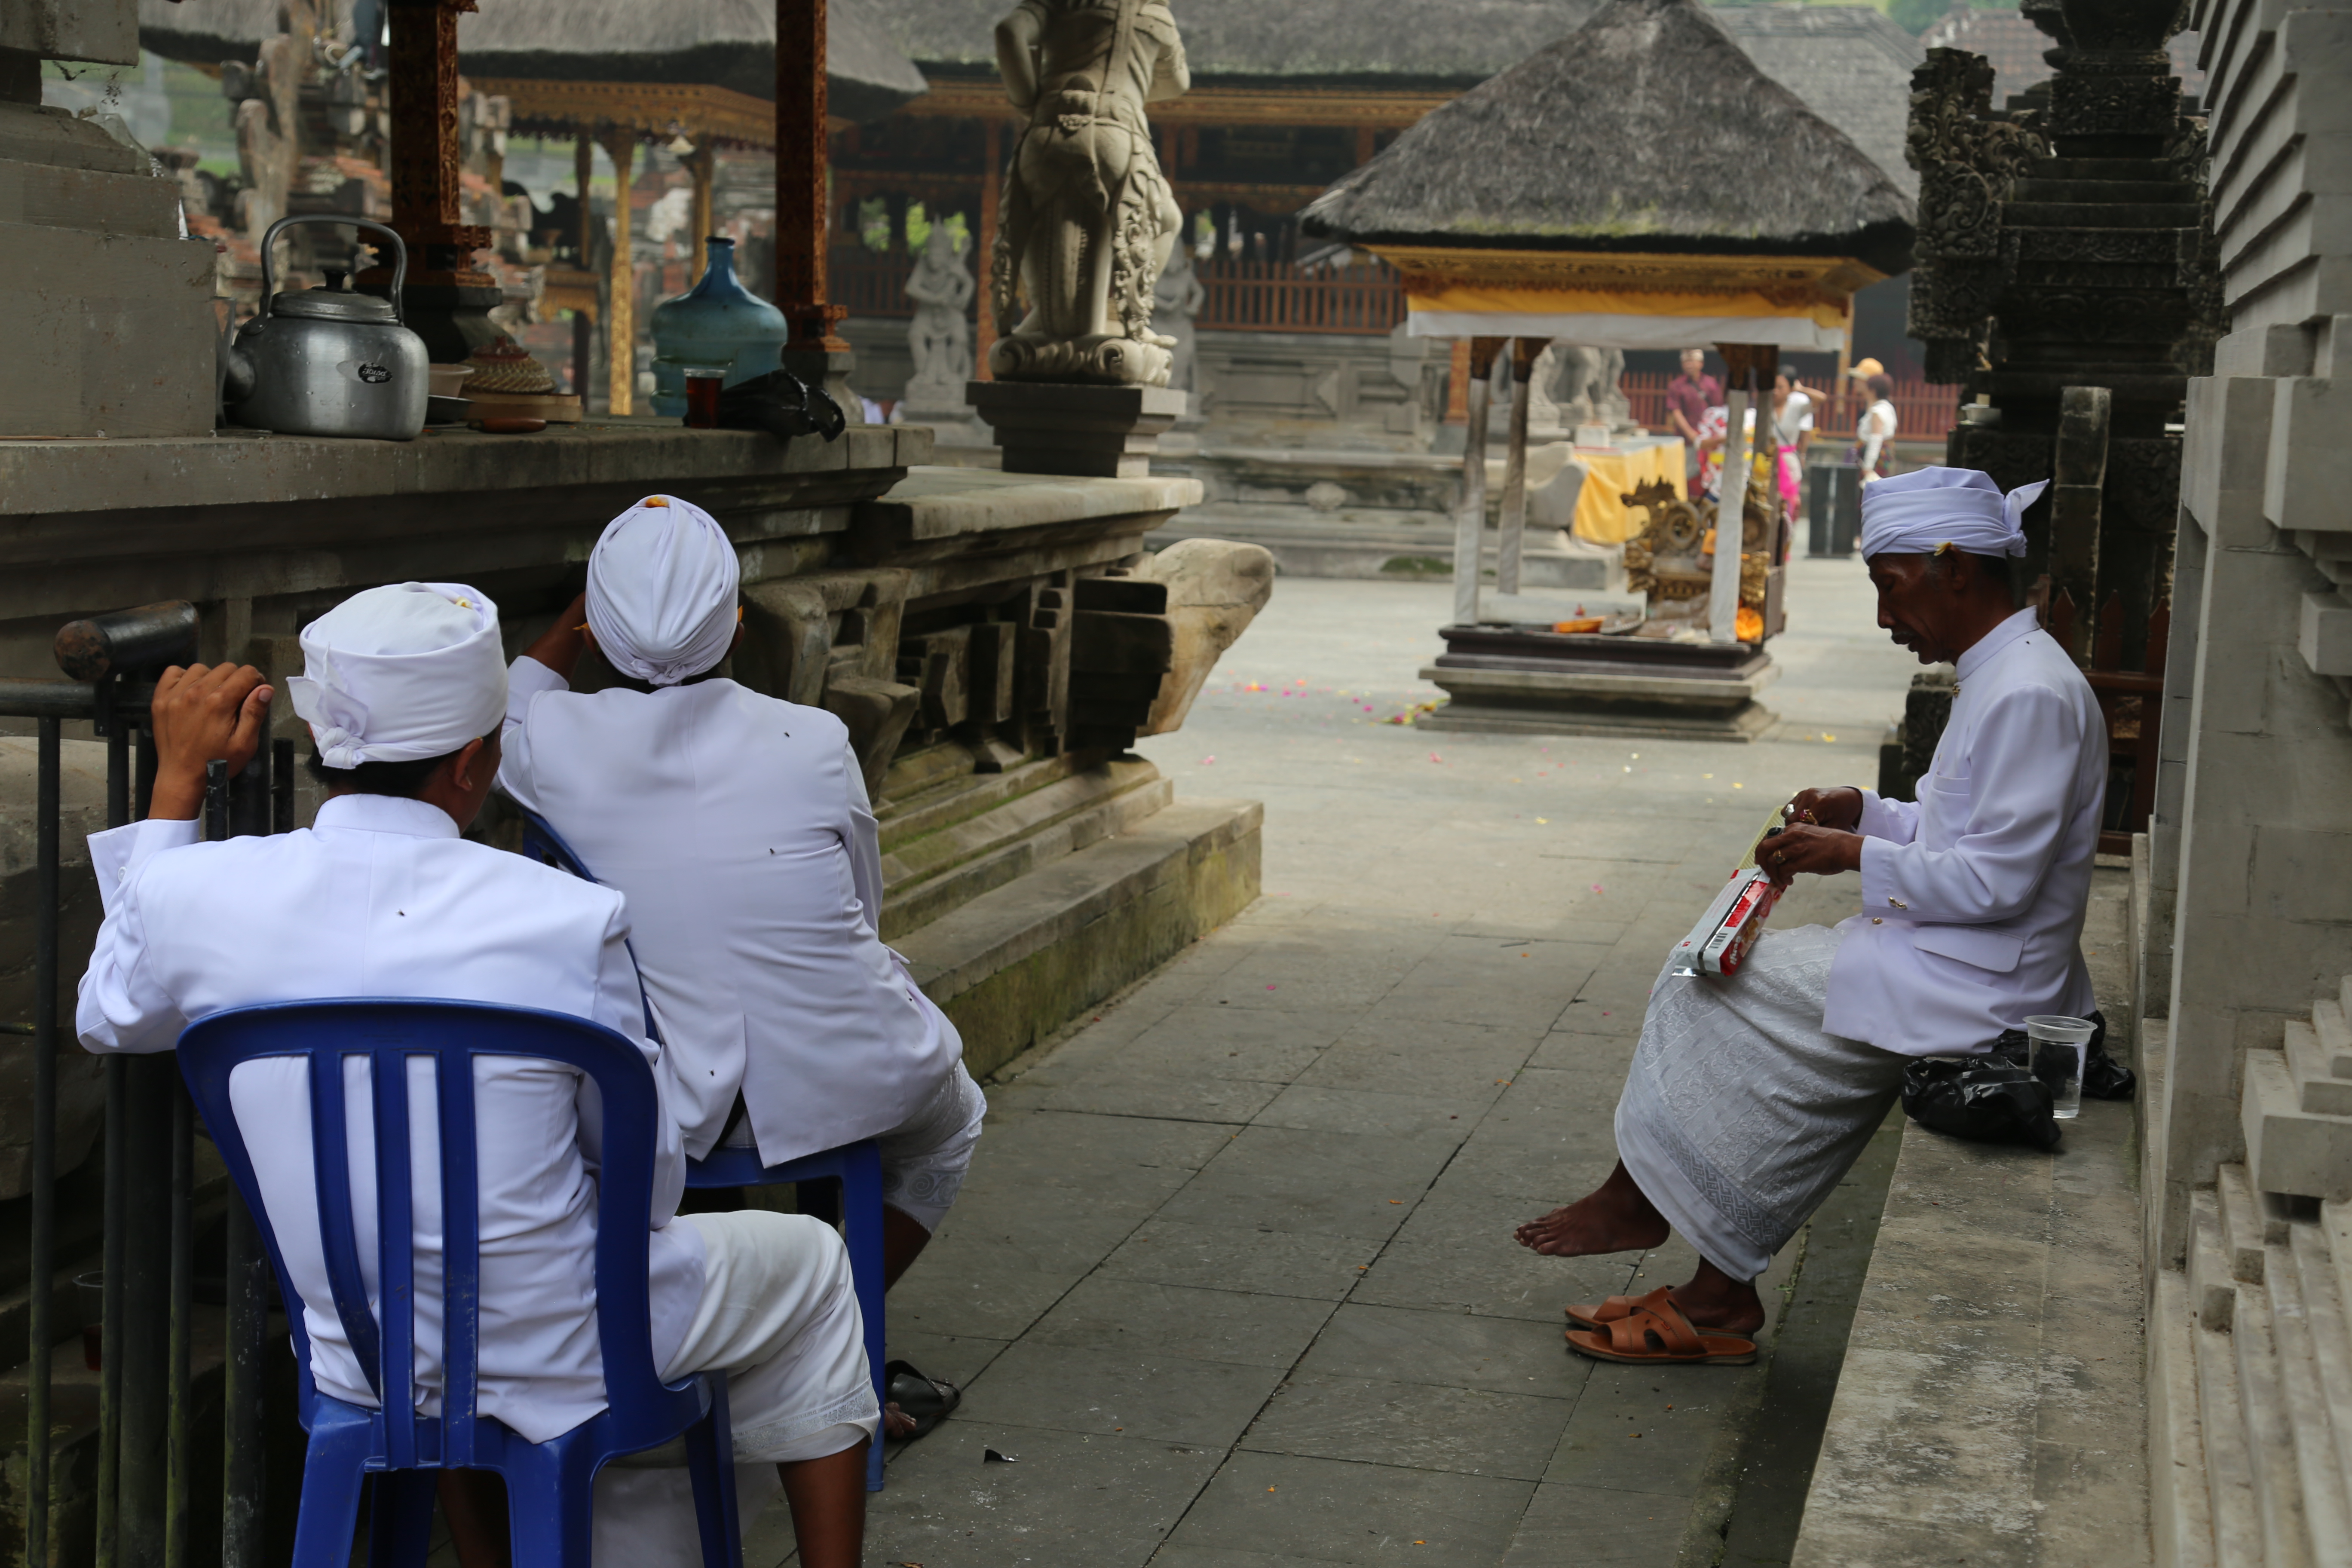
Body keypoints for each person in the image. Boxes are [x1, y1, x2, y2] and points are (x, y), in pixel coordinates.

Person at [75, 583, 877, 1567]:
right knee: (814, 1267)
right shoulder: (563, 918)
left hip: (357, 1352)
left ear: (325, 747)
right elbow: (651, 1185)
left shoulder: (203, 892)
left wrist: (179, 785)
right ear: (472, 763)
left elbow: (113, 1013)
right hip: (562, 1351)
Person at [1513, 467, 2104, 1364]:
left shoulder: (2028, 690)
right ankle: (1707, 1277)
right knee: (1728, 987)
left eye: (1888, 586)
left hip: (1980, 981)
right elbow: (1958, 831)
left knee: (1706, 981)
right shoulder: (2008, 674)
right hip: (1958, 955)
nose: (1882, 617)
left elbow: (1999, 883)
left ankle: (1666, 1233)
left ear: (1953, 570)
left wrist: (1853, 854)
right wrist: (1863, 810)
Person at [496, 496, 982, 1438]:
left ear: (595, 631)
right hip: (845, 1060)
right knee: (949, 1124)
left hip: (664, 1091)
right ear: (739, 627)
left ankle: (770, 1335)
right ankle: (830, 1328)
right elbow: (860, 908)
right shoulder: (815, 740)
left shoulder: (549, 746)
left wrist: (567, 631)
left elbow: (514, 697)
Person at [1666, 348, 1722, 487]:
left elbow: (1719, 410)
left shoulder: (1711, 384)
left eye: (1692, 360)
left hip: (1710, 439)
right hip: (1687, 440)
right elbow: (1676, 412)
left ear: (1701, 363)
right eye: (1685, 361)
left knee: (1711, 474)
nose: (1689, 364)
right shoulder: (1676, 386)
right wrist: (1692, 435)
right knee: (1687, 475)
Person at [1855, 371, 1899, 481]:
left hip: (1876, 459)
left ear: (1873, 391)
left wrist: (1868, 467)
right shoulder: (1888, 408)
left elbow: (1876, 439)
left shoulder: (1877, 412)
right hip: (1883, 455)